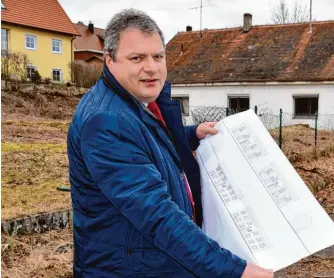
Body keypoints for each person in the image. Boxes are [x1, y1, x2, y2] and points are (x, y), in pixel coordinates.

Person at [67, 9, 273, 278]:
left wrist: (191, 134)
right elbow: (157, 216)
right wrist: (234, 270)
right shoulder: (106, 121)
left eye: (158, 56)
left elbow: (146, 143)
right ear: (110, 60)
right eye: (137, 58)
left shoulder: (133, 102)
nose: (151, 67)